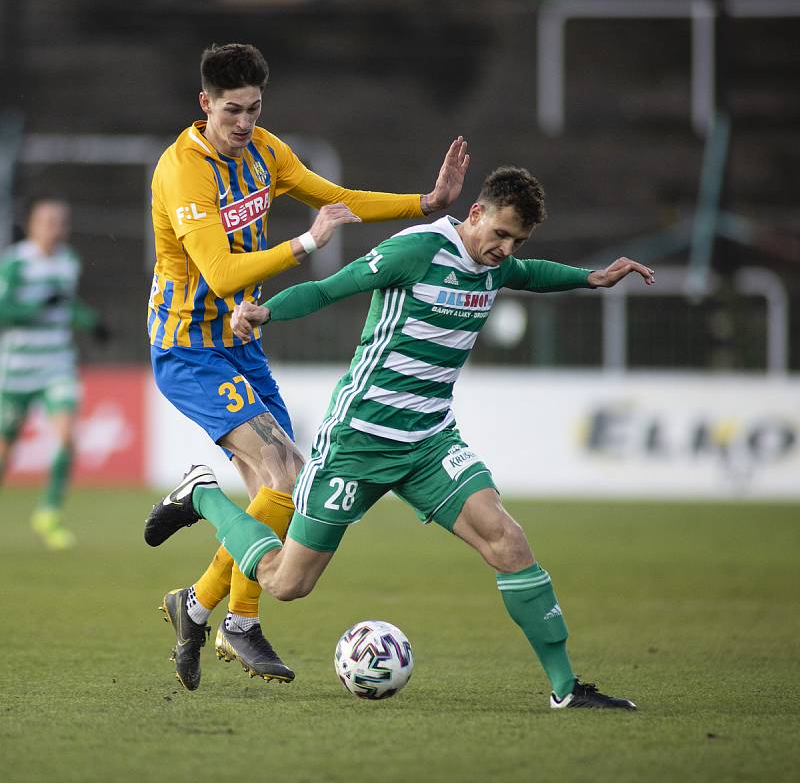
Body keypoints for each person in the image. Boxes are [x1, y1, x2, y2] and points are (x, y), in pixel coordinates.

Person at [146, 166, 654, 710]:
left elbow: (530, 273)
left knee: (509, 542)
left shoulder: (494, 266)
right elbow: (329, 288)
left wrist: (589, 278)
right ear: (475, 213)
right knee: (286, 583)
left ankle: (565, 688)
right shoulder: (418, 250)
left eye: (517, 241)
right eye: (500, 235)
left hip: (429, 443)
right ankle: (201, 494)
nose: (505, 250)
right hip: (358, 441)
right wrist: (267, 311)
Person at [149, 42, 469, 691]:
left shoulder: (267, 151)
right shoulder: (184, 172)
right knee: (287, 470)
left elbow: (340, 198)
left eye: (255, 109)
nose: (244, 123)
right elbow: (219, 272)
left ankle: (199, 605)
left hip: (240, 344)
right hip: (189, 348)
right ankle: (232, 604)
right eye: (232, 111)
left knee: (287, 491)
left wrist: (427, 204)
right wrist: (303, 244)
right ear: (204, 104)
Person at [0, 197, 107, 549]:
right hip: (17, 370)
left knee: (66, 437)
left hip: (57, 364)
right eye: (48, 220)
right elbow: (4, 311)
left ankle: (49, 512)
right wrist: (35, 306)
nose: (55, 227)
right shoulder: (15, 263)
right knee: (5, 450)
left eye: (61, 221)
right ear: (32, 224)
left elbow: (64, 304)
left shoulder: (68, 261)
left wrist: (92, 322)